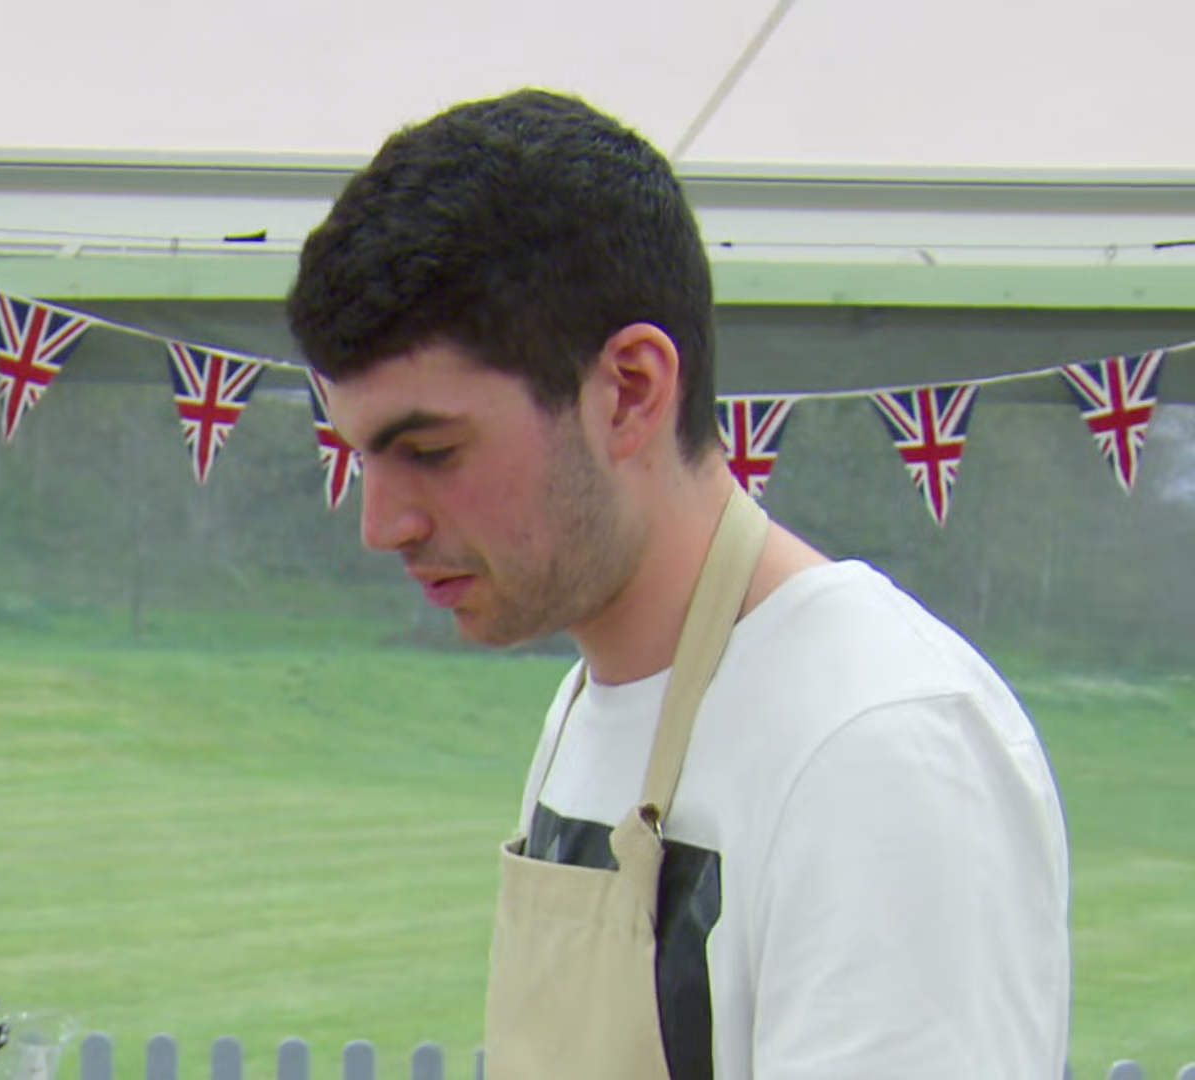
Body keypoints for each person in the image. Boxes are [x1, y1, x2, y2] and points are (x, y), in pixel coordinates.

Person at [286, 89, 1070, 1079]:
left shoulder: (879, 744)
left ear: (630, 391)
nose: (380, 525)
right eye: (362, 456)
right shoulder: (585, 705)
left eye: (431, 450)